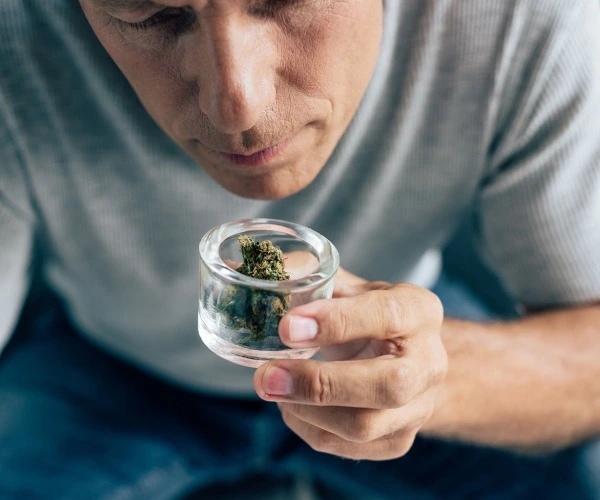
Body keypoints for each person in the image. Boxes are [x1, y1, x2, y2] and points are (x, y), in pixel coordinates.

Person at [1, 0, 599, 498]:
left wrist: (424, 380)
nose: (238, 107)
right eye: (149, 14)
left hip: (407, 327)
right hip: (110, 366)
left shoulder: (525, 20)